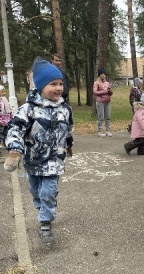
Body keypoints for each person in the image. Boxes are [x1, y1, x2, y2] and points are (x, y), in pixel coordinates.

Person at [3, 58, 74, 244]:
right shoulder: (28, 109)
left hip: (54, 160)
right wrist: (15, 151)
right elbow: (15, 129)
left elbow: (68, 128)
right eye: (53, 84)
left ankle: (45, 221)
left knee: (48, 192)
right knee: (35, 191)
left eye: (60, 84)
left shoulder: (65, 109)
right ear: (41, 86)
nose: (58, 88)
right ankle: (42, 207)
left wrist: (69, 144)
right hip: (33, 160)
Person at [93, 68, 113, 137]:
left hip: (107, 101)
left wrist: (110, 92)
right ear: (99, 75)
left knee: (108, 117)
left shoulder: (107, 83)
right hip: (100, 102)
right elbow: (95, 92)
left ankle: (107, 131)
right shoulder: (96, 83)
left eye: (104, 74)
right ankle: (100, 131)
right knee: (101, 117)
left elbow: (110, 92)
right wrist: (105, 92)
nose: (103, 75)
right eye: (102, 74)